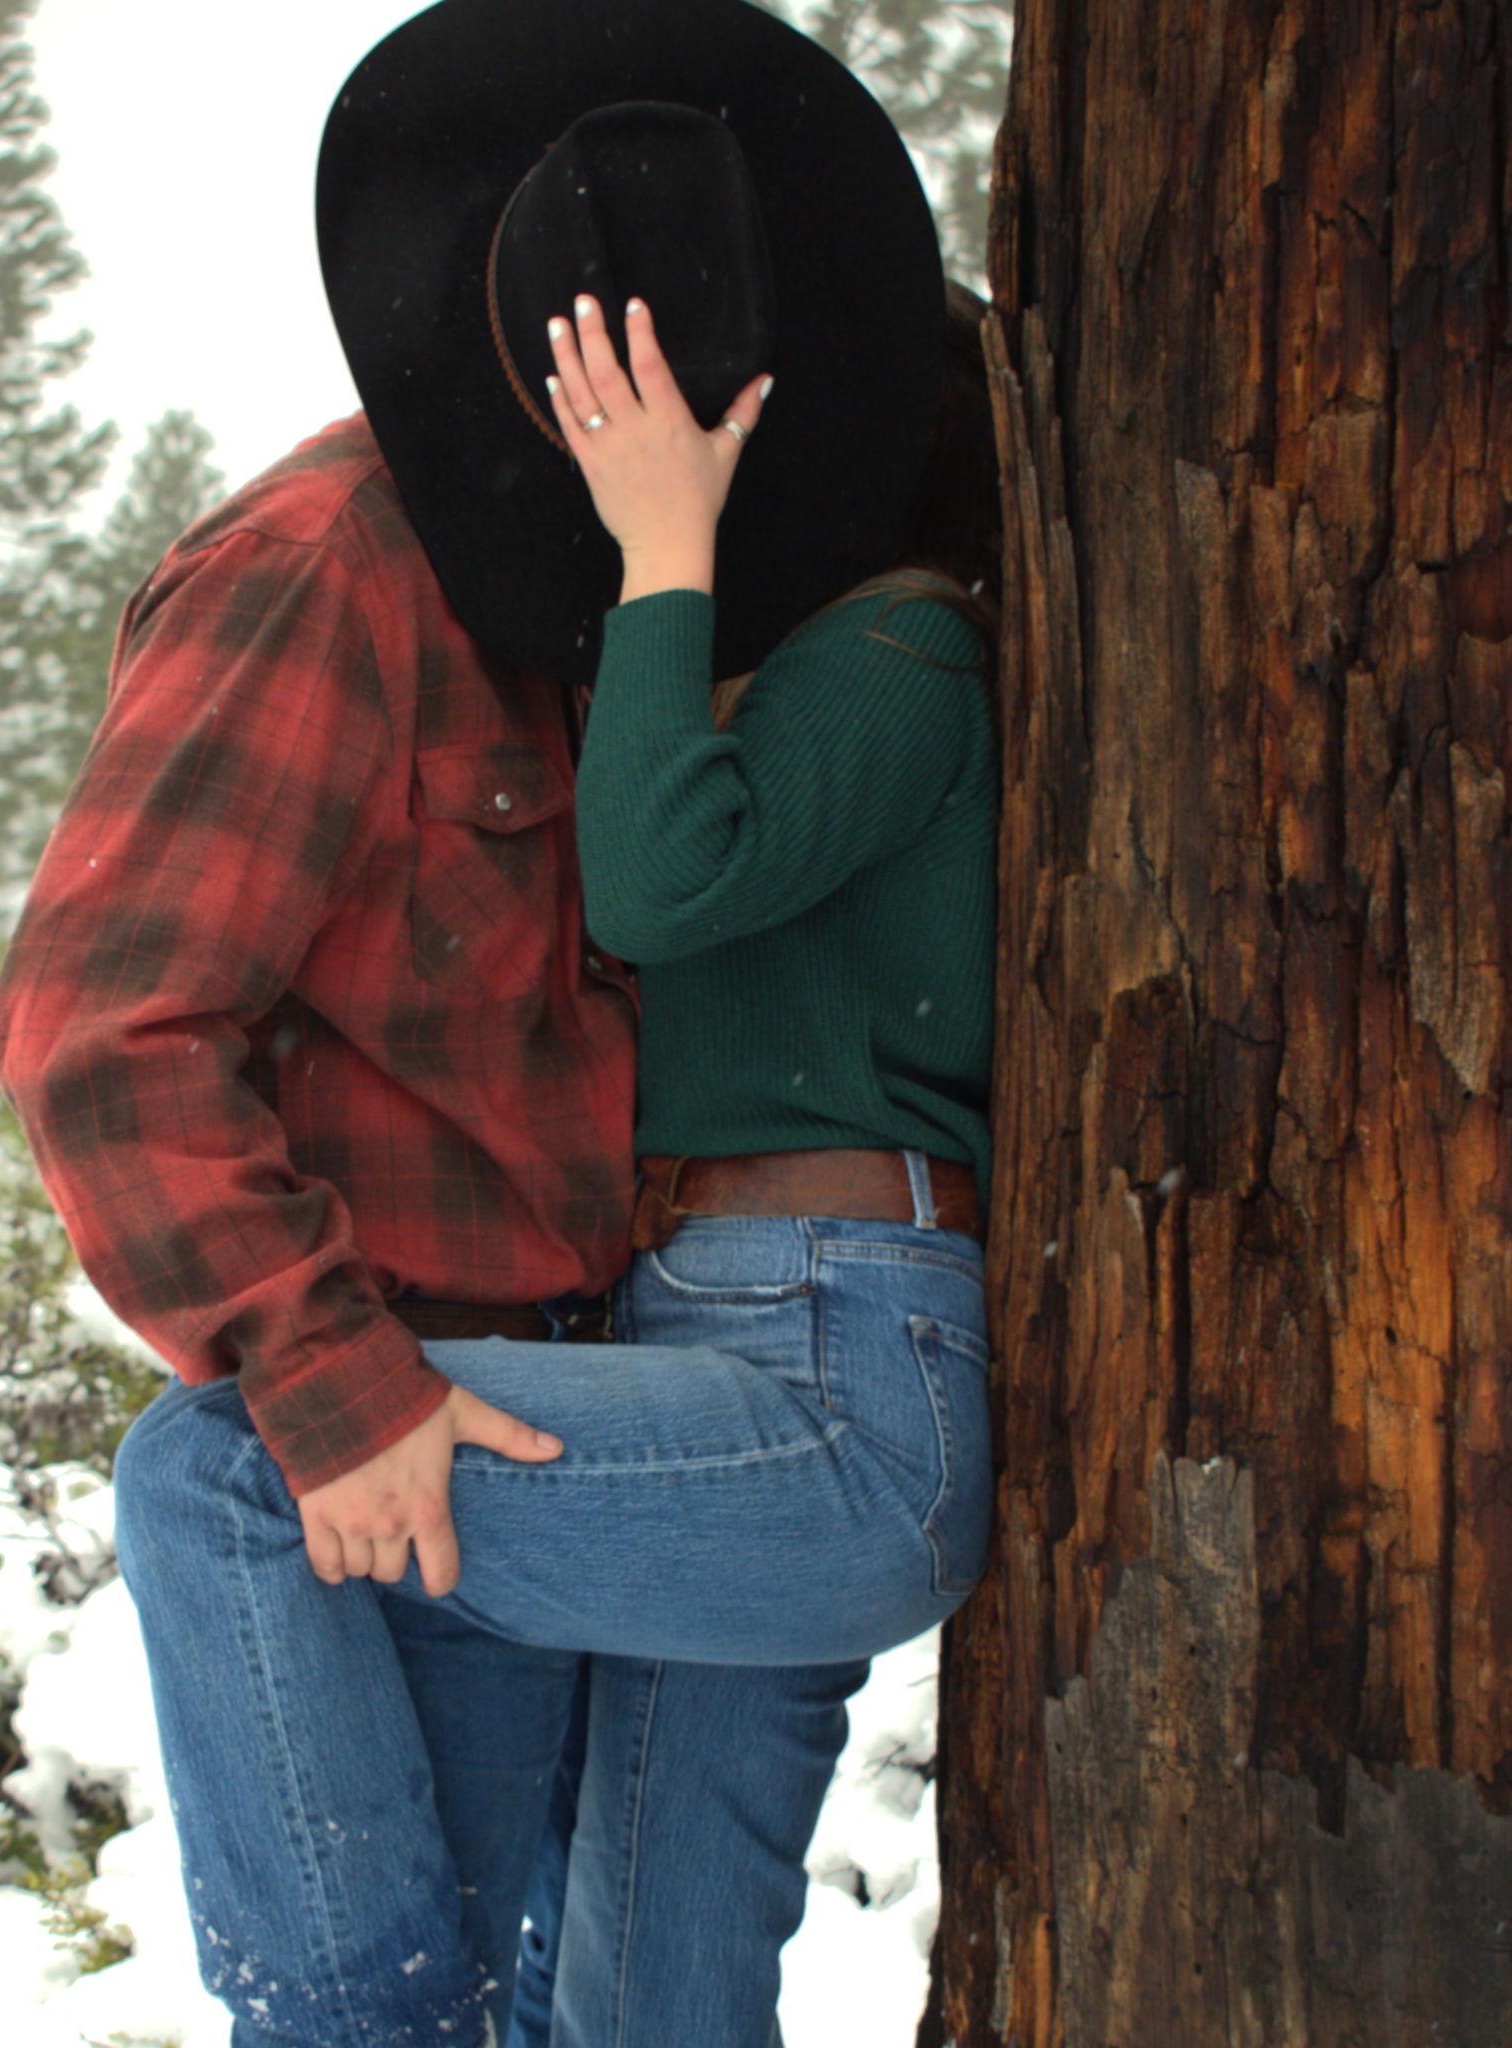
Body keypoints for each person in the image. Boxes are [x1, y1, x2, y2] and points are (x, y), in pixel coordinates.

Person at [0, 2, 996, 2042]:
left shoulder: (651, 616)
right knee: (388, 1949)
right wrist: (329, 1376)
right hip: (399, 1436)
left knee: (591, 2001)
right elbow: (104, 1026)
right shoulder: (324, 570)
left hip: (610, 1399)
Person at [505, 273, 1003, 2044]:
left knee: (242, 1466)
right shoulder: (794, 675)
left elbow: (656, 886)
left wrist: (665, 546)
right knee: (645, 1980)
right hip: (729, 1308)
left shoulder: (910, 647)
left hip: (833, 1331)